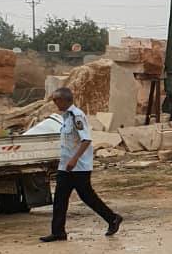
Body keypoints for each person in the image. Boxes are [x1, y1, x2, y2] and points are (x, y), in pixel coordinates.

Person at [40, 86, 122, 243]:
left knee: (87, 196)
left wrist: (74, 159)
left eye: (56, 100)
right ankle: (58, 232)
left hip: (79, 167)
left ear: (64, 100)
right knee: (60, 199)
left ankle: (112, 218)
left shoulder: (76, 116)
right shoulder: (66, 116)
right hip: (66, 166)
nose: (55, 103)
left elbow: (86, 140)